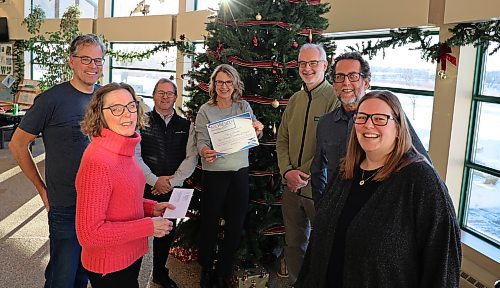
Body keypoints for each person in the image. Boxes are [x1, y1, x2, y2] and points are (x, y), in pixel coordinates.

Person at [296, 90, 461, 287]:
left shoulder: (421, 181)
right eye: (362, 117)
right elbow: (318, 243)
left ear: (399, 127)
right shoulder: (345, 172)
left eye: (380, 118)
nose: (368, 125)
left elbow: (442, 263)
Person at [9, 34, 105, 288]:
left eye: (98, 60)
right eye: (86, 59)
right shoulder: (51, 99)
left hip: (98, 204)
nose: (93, 66)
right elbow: (17, 144)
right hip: (65, 204)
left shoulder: (105, 99)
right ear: (71, 61)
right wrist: (41, 188)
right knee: (63, 276)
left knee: (83, 273)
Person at [75, 82, 175, 288]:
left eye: (131, 106)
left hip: (128, 254)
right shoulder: (98, 161)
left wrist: (151, 207)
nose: (127, 114)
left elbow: (122, 195)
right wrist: (147, 226)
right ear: (99, 115)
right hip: (110, 264)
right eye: (116, 108)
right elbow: (89, 233)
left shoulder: (124, 147)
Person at [311, 51, 429, 204]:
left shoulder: (389, 118)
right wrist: (321, 205)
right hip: (336, 210)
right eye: (339, 77)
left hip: (378, 209)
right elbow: (318, 169)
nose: (346, 83)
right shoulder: (325, 123)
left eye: (353, 76)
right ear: (334, 85)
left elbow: (422, 163)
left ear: (366, 83)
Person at [195, 64, 263, 288]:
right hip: (214, 173)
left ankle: (223, 272)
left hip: (239, 172)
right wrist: (205, 151)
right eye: (219, 82)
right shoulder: (206, 109)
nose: (224, 86)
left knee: (235, 225)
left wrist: (258, 129)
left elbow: (253, 134)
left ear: (235, 84)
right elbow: (201, 140)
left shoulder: (243, 106)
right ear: (213, 84)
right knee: (209, 224)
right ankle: (206, 270)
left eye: (228, 82)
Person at [275, 43, 338, 281]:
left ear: (324, 65)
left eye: (313, 63)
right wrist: (287, 172)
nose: (307, 68)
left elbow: (329, 146)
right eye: (302, 63)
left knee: (324, 248)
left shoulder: (334, 99)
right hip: (291, 188)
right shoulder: (295, 100)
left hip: (318, 189)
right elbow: (282, 138)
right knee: (293, 244)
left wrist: (300, 175)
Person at [135, 78, 198, 288]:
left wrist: (171, 182)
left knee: (166, 233)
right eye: (161, 92)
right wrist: (154, 180)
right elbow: (135, 156)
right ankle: (130, 275)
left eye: (169, 93)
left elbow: (191, 157)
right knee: (137, 232)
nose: (165, 97)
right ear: (153, 95)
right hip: (144, 187)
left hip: (174, 189)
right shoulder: (140, 121)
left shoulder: (186, 125)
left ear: (175, 97)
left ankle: (160, 274)